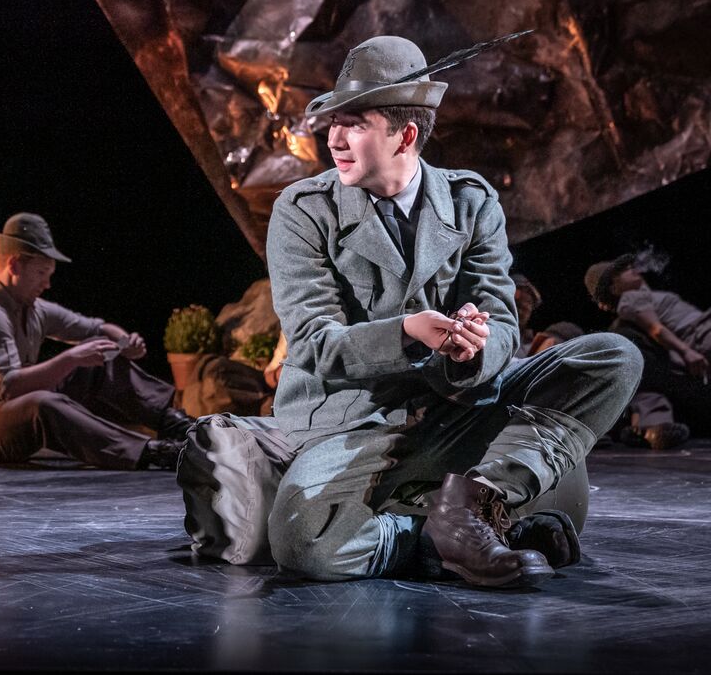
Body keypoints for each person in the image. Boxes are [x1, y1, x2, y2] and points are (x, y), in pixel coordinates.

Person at [264, 35, 641, 588]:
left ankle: (479, 500)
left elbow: (501, 319)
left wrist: (474, 349)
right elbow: (314, 343)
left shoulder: (471, 200)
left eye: (356, 123)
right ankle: (437, 535)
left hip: (455, 406)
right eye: (333, 123)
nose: (335, 139)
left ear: (406, 135)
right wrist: (411, 334)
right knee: (306, 544)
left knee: (614, 356)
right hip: (356, 420)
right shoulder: (303, 212)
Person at [0, 213, 194, 471]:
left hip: (10, 410)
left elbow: (95, 328)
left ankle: (175, 424)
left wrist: (124, 341)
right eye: (40, 273)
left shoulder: (33, 308)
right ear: (14, 265)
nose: (47, 283)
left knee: (98, 358)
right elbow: (9, 388)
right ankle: (152, 452)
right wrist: (71, 358)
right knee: (44, 404)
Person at [586, 254, 710, 447]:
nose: (633, 269)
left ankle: (642, 426)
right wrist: (687, 352)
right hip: (702, 334)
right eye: (624, 270)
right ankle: (648, 426)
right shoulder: (631, 299)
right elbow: (656, 329)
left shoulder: (639, 296)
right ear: (614, 287)